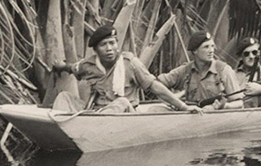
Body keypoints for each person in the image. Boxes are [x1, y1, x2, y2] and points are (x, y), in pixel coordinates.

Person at [52, 24, 200, 113]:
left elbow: (156, 87)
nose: (109, 48)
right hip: (97, 112)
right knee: (64, 97)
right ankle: (59, 133)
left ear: (117, 44)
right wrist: (61, 66)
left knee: (121, 102)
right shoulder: (88, 65)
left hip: (126, 114)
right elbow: (72, 67)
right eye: (104, 45)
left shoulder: (130, 63)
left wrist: (183, 107)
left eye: (112, 43)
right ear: (96, 50)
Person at [157, 30, 244, 111]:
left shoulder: (223, 70)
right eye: (206, 47)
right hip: (191, 117)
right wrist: (175, 99)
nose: (211, 51)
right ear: (195, 50)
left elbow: (239, 103)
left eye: (212, 46)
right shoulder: (186, 70)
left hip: (217, 120)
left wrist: (223, 106)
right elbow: (157, 84)